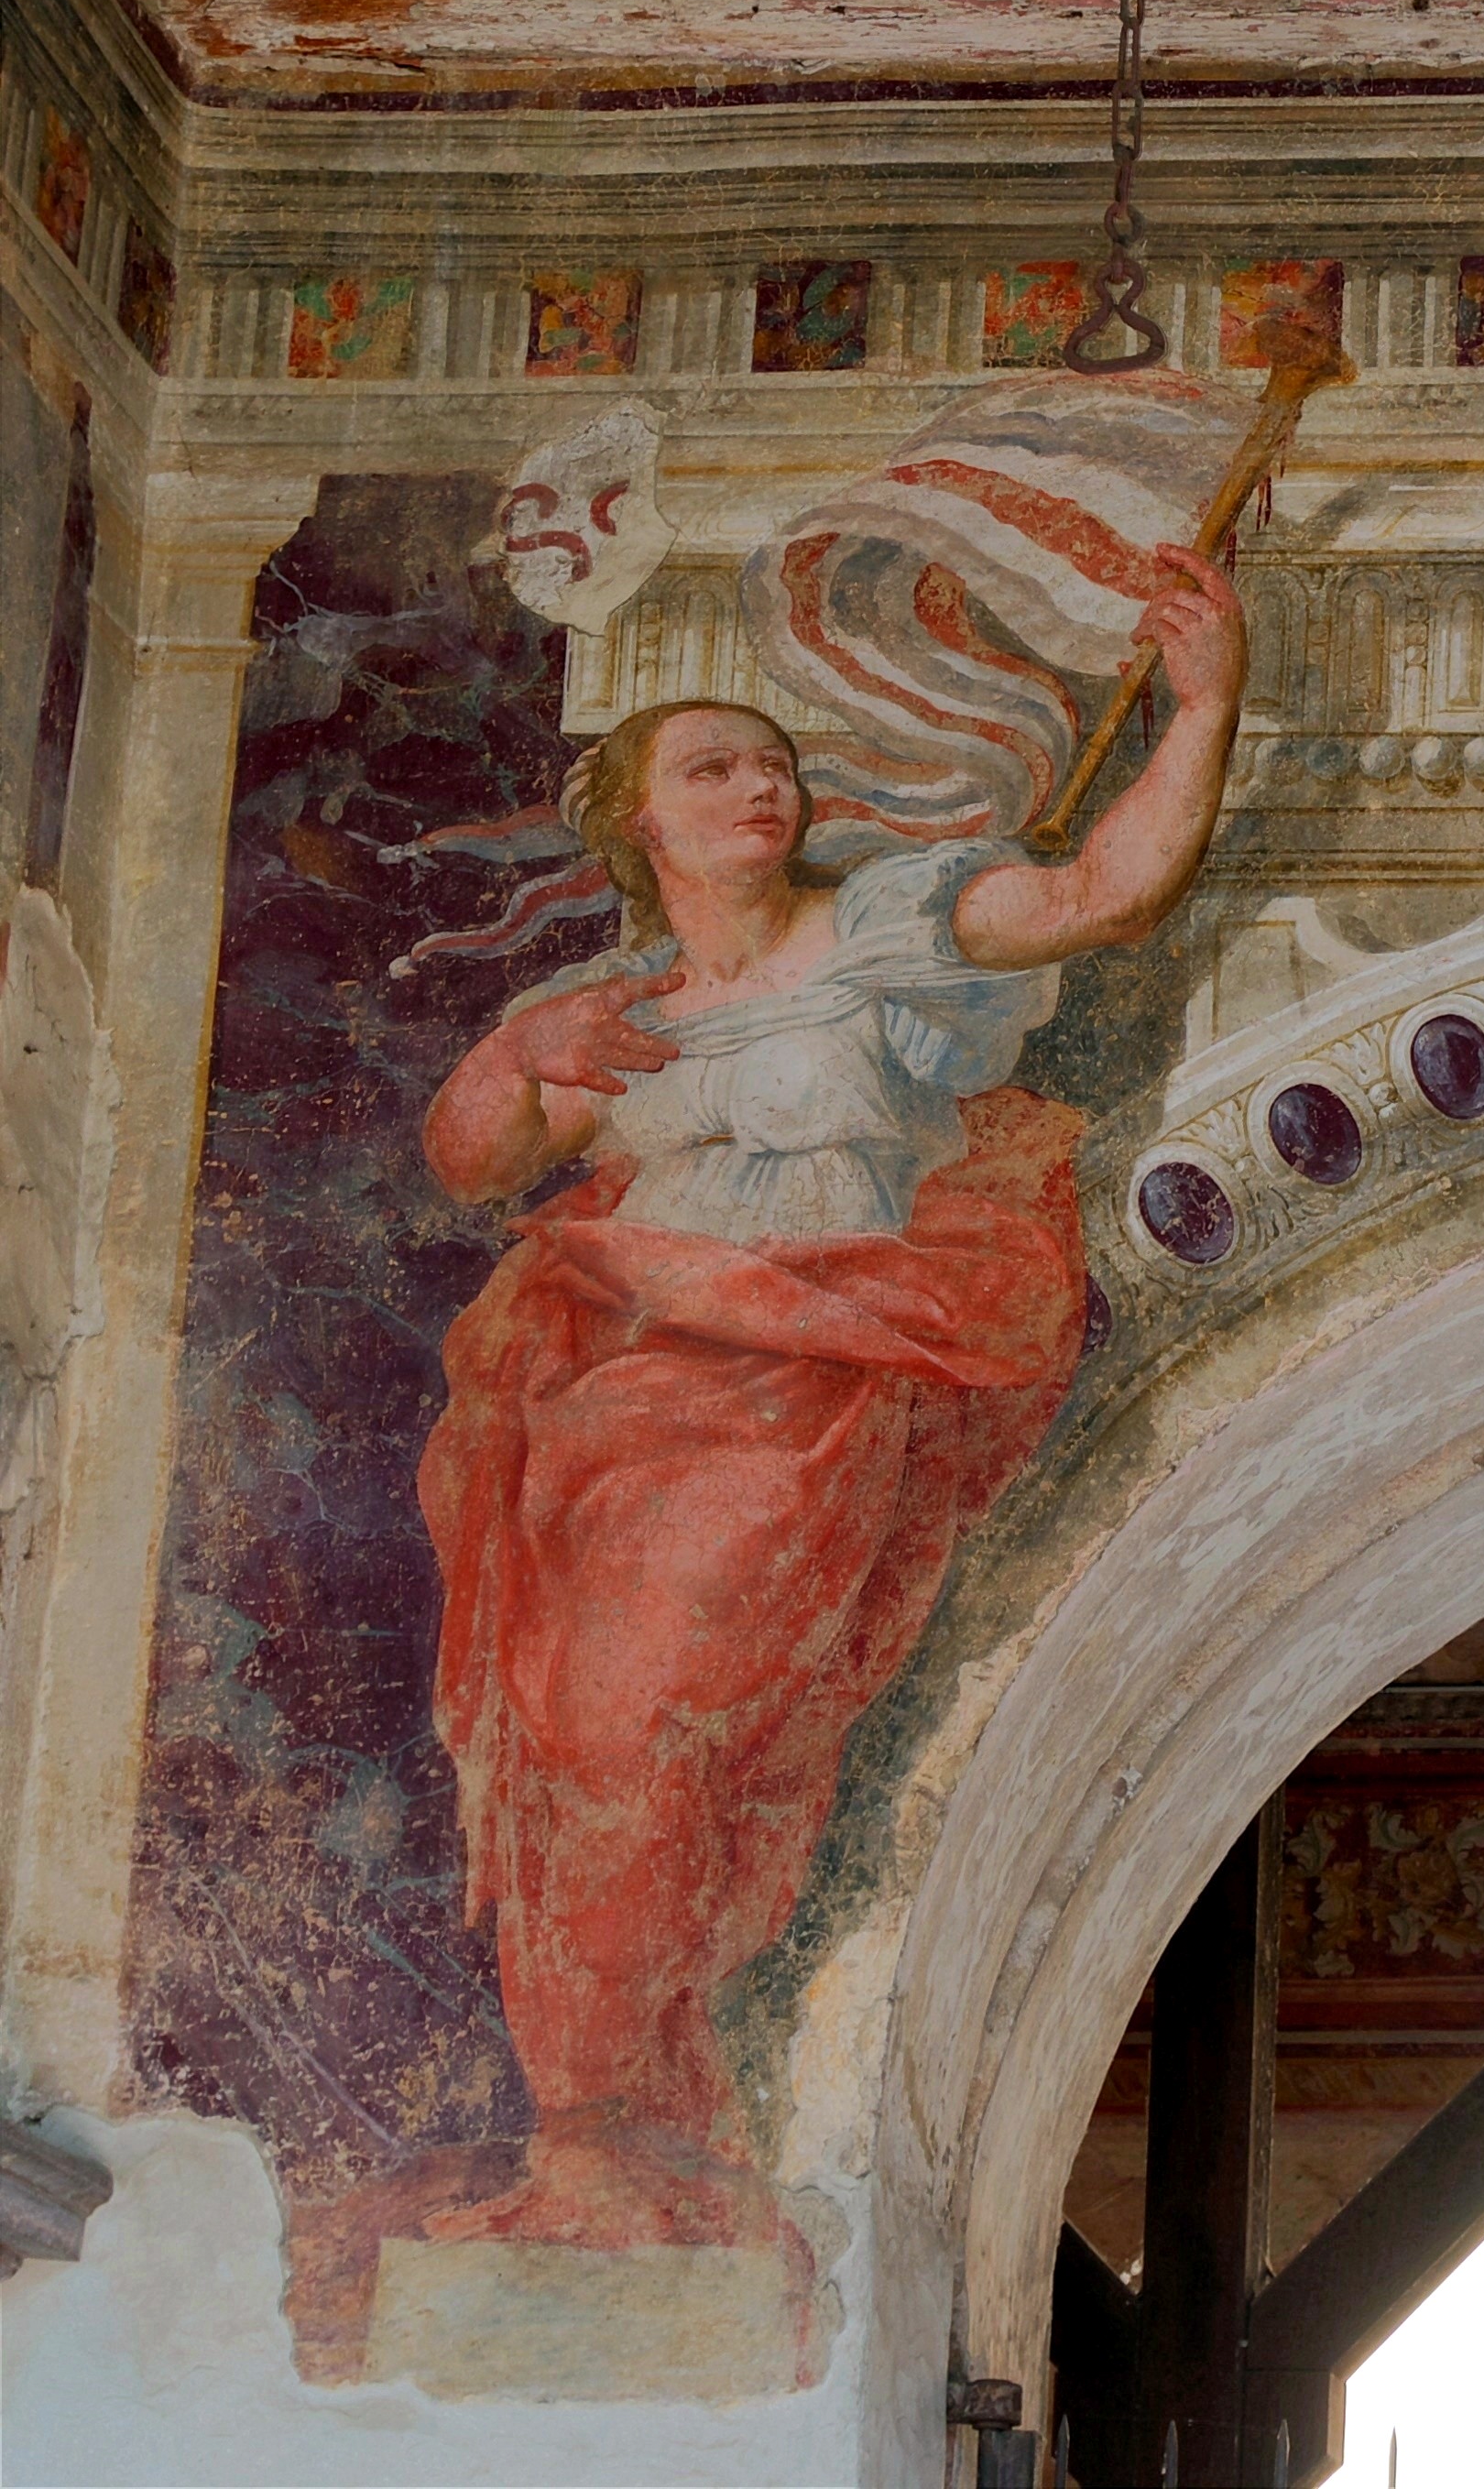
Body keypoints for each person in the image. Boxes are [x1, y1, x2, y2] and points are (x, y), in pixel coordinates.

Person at [413, 547, 1245, 2250]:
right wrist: (519, 1052)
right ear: (642, 820)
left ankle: (627, 2102)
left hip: (807, 1385)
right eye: (713, 765)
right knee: (581, 1741)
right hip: (615, 1396)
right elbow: (476, 1165)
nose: (760, 785)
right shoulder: (627, 1012)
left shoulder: (886, 927)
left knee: (657, 1725)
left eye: (774, 762)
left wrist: (1207, 700)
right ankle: (597, 2119)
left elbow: (1100, 890)